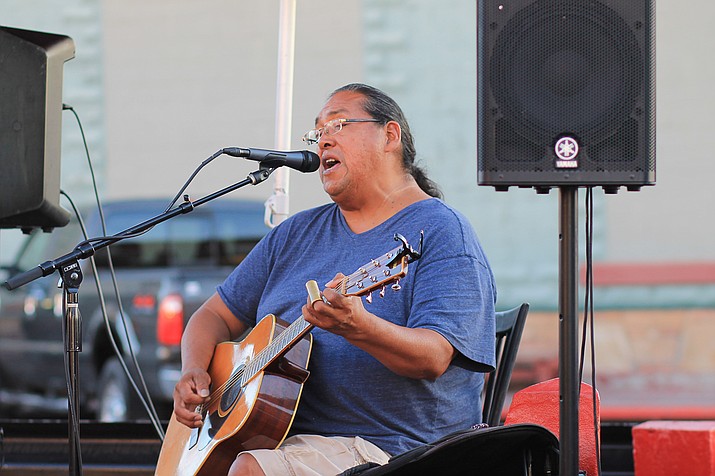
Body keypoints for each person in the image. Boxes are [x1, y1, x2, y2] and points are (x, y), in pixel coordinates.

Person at [172, 83, 497, 475]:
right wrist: (194, 369)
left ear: (389, 135)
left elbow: (434, 357)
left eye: (338, 124)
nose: (323, 140)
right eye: (317, 131)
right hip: (280, 441)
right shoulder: (294, 234)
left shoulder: (441, 232)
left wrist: (358, 327)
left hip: (397, 452)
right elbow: (214, 315)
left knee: (250, 471)